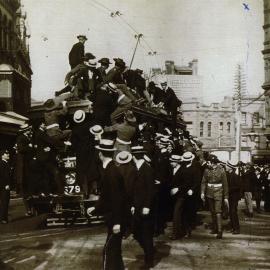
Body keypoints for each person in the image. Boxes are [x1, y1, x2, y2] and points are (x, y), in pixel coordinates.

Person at [88, 139, 126, 270]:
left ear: (100, 154)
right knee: (115, 252)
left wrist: (117, 222)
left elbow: (117, 199)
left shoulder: (111, 172)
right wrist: (95, 208)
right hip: (114, 217)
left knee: (109, 252)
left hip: (115, 219)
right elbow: (106, 197)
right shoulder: (111, 169)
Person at [131, 145, 156, 269]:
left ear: (134, 156)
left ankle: (149, 260)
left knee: (146, 234)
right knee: (137, 233)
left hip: (145, 207)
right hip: (137, 206)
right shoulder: (136, 168)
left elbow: (151, 190)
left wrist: (147, 206)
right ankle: (149, 251)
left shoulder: (147, 169)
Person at [201, 155, 228, 239]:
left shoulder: (221, 170)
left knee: (218, 211)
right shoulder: (206, 170)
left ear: (213, 163)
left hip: (218, 192)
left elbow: (225, 184)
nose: (207, 163)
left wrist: (226, 196)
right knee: (212, 211)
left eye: (208, 162)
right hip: (209, 193)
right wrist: (202, 192)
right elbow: (203, 182)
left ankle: (220, 231)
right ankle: (215, 228)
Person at [225, 161, 241, 234]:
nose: (225, 166)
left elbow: (238, 186)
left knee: (233, 212)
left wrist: (228, 189)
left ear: (230, 167)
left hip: (234, 197)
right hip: (231, 196)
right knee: (231, 212)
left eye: (227, 165)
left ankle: (236, 229)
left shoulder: (235, 176)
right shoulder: (229, 175)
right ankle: (233, 227)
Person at [0, 149, 11, 224]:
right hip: (4, 186)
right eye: (6, 154)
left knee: (5, 202)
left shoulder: (6, 163)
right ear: (2, 156)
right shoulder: (2, 164)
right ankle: (3, 219)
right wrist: (5, 185)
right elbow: (2, 176)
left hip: (5, 185)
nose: (8, 155)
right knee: (4, 202)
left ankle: (4, 218)